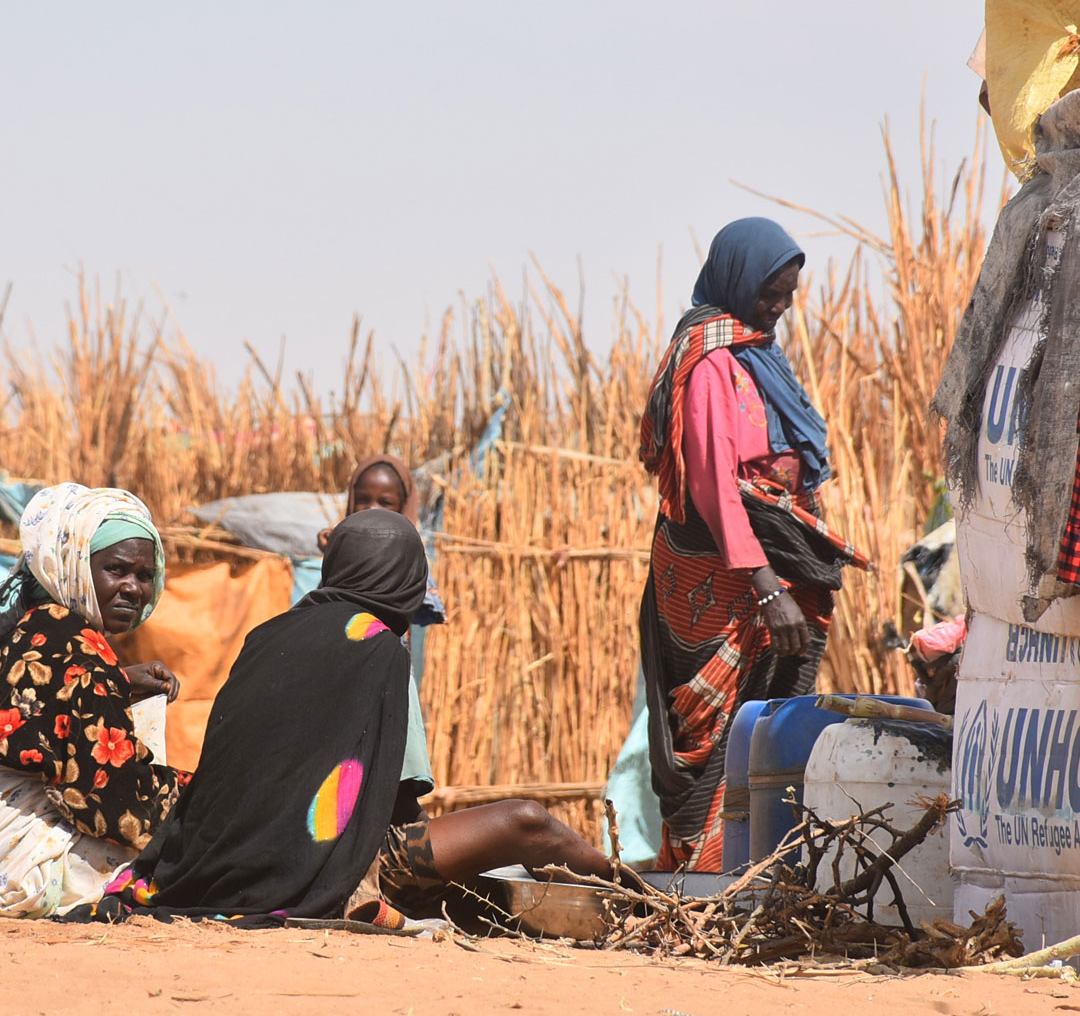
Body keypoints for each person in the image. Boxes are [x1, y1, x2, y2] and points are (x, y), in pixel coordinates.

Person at [78, 509, 610, 926]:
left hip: (213, 858)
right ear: (405, 581)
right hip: (315, 861)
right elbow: (396, 806)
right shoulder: (379, 648)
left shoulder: (267, 636)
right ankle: (635, 894)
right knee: (528, 823)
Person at [638, 218, 869, 872]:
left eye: (788, 295)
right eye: (771, 293)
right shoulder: (710, 360)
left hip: (761, 567)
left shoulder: (756, 355)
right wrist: (767, 584)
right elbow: (712, 485)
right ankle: (703, 878)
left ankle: (763, 868)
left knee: (770, 721)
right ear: (739, 279)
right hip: (721, 575)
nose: (781, 307)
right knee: (714, 736)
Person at [0, 483, 183, 917]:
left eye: (143, 575)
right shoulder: (76, 641)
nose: (133, 589)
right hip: (25, 858)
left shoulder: (35, 624)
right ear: (75, 567)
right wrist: (196, 799)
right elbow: (106, 801)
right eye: (116, 570)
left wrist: (115, 682)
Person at [317, 453, 445, 802]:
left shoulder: (410, 560)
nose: (372, 508)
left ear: (404, 508)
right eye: (364, 499)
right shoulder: (332, 549)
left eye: (385, 503)